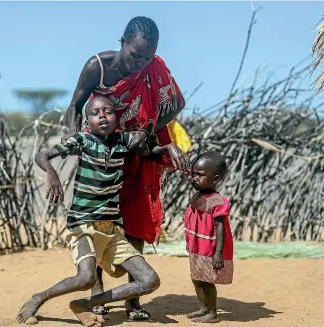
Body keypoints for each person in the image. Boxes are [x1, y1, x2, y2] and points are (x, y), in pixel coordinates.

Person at [63, 16, 190, 320]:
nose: (141, 63)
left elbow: (176, 103)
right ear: (123, 43)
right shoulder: (99, 67)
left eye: (148, 57)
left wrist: (148, 130)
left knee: (135, 220)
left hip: (139, 152)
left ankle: (133, 300)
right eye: (136, 55)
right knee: (98, 221)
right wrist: (77, 138)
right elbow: (75, 105)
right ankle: (96, 292)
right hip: (104, 154)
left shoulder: (153, 68)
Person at [17, 96, 174, 327]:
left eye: (108, 111)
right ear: (87, 120)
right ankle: (38, 298)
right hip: (83, 225)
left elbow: (149, 148)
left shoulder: (123, 141)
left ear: (116, 117)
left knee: (150, 280)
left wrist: (169, 147)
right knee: (86, 277)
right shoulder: (83, 140)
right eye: (95, 112)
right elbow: (42, 155)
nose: (102, 115)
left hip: (110, 229)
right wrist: (51, 173)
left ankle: (86, 304)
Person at [184, 151, 234, 323]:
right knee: (196, 278)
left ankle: (213, 313)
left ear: (216, 178)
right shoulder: (198, 196)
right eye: (193, 174)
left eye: (200, 175)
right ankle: (203, 308)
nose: (195, 178)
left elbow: (220, 228)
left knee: (207, 280)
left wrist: (218, 253)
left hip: (209, 249)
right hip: (197, 247)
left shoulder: (218, 202)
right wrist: (189, 243)